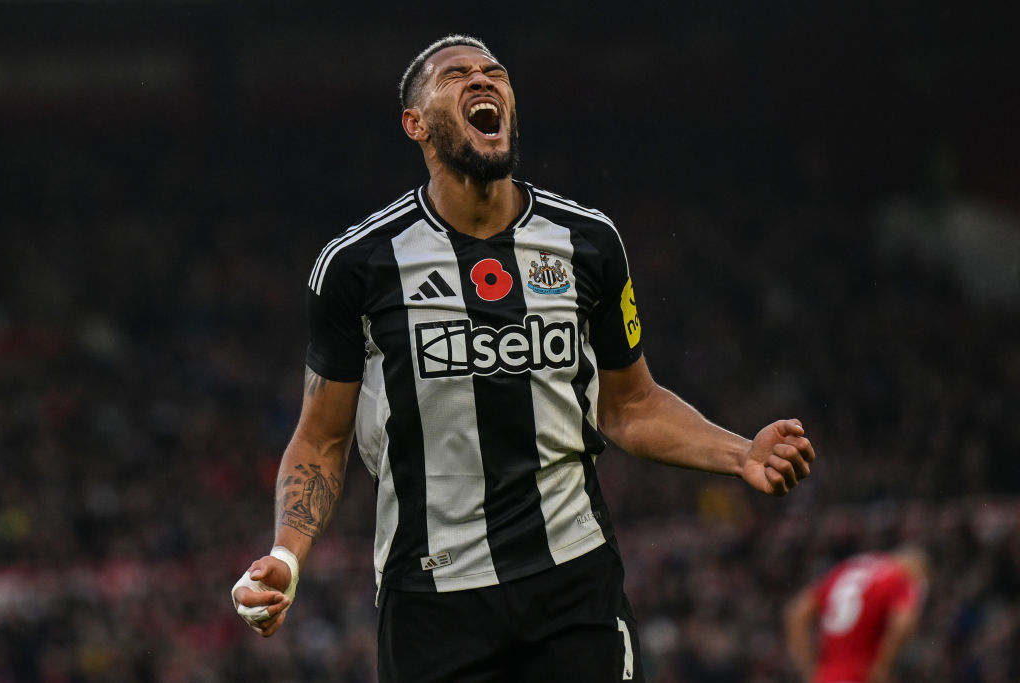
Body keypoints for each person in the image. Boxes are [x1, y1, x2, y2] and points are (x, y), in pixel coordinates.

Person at [231, 34, 816, 682]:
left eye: (495, 73)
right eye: (457, 75)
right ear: (415, 123)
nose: (483, 81)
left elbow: (631, 404)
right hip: (432, 601)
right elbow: (321, 437)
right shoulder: (357, 265)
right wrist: (286, 553)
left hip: (572, 583)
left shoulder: (588, 241)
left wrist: (742, 453)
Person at [784, 546, 930, 683]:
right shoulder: (900, 577)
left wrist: (808, 668)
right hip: (861, 675)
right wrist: (884, 665)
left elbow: (797, 613)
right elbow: (903, 623)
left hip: (828, 676)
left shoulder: (847, 569)